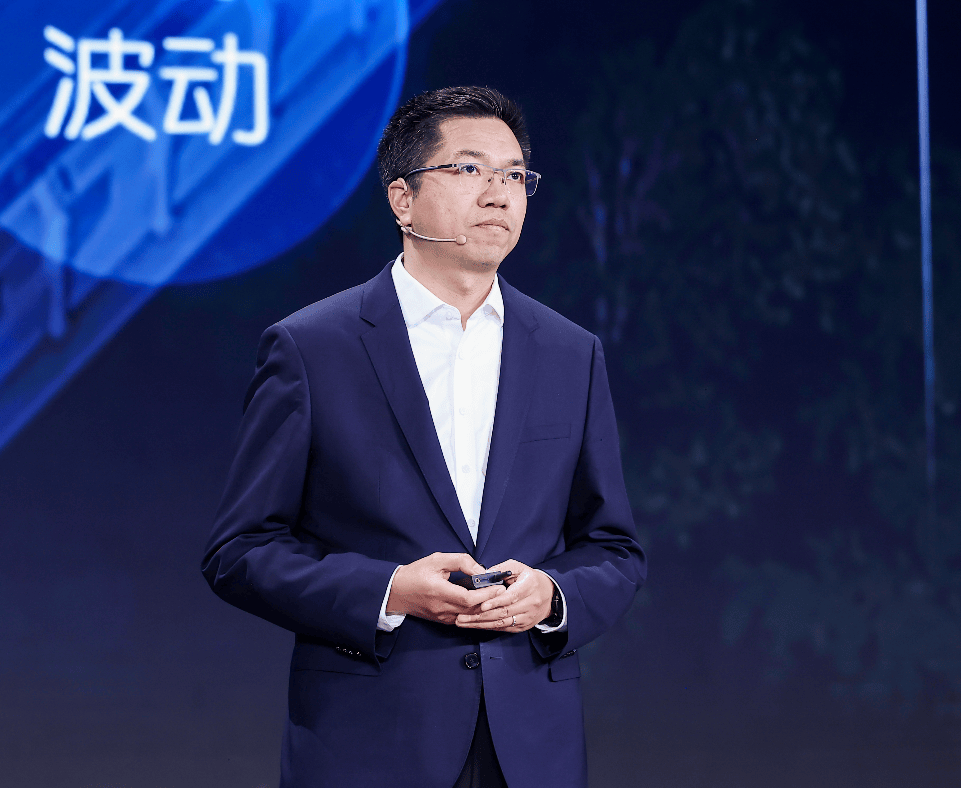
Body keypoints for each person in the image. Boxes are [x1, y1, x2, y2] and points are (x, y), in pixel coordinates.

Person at [202, 86, 646, 788]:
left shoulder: (570, 352)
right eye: (468, 169)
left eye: (514, 175)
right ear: (401, 199)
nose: (497, 193)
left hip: (530, 745)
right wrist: (389, 590)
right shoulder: (312, 348)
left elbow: (614, 548)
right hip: (369, 741)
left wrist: (552, 596)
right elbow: (240, 550)